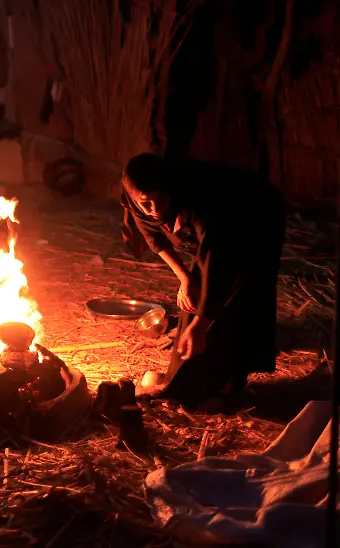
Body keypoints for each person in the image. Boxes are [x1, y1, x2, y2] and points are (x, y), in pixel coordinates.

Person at [120, 153, 285, 408]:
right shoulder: (137, 200)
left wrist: (201, 323)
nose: (153, 210)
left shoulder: (201, 195)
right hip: (216, 233)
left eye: (158, 201)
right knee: (194, 297)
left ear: (168, 189)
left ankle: (226, 383)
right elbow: (157, 241)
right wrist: (185, 279)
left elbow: (215, 258)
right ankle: (183, 383)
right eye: (145, 204)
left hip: (255, 213)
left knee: (241, 290)